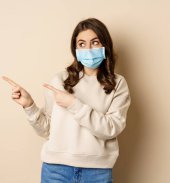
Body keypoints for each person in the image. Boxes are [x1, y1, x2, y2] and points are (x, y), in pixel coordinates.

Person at [2, 18, 131, 182]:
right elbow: (47, 130)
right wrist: (29, 106)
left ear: (105, 45)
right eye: (82, 44)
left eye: (95, 42)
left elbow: (111, 128)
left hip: (97, 173)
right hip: (56, 171)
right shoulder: (59, 80)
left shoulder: (118, 84)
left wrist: (74, 105)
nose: (88, 49)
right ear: (75, 49)